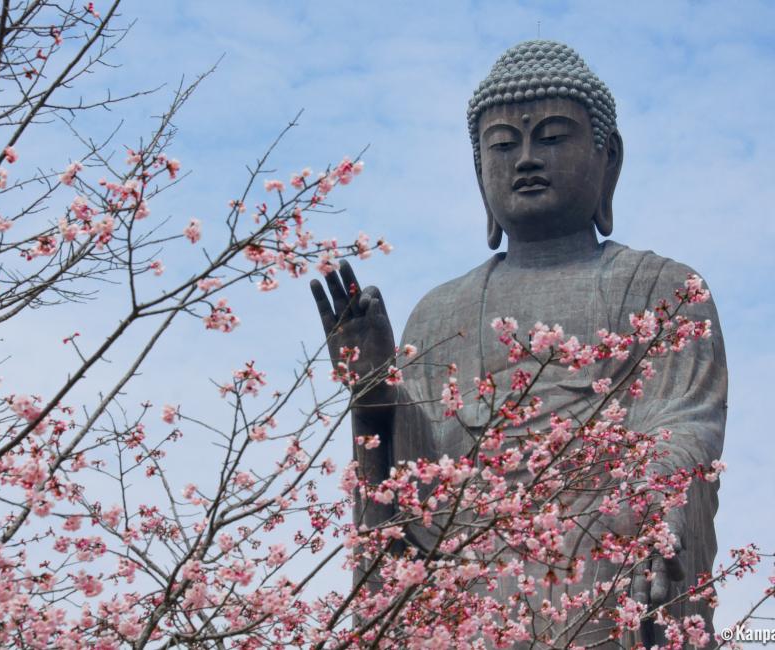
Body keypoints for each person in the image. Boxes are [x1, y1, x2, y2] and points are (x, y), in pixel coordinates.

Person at [310, 40, 727, 644]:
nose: (526, 159)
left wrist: (641, 513)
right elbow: (416, 486)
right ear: (479, 170)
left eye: (553, 137)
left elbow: (686, 425)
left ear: (608, 159)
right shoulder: (439, 313)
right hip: (463, 583)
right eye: (503, 145)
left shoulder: (661, 289)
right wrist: (376, 389)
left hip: (603, 562)